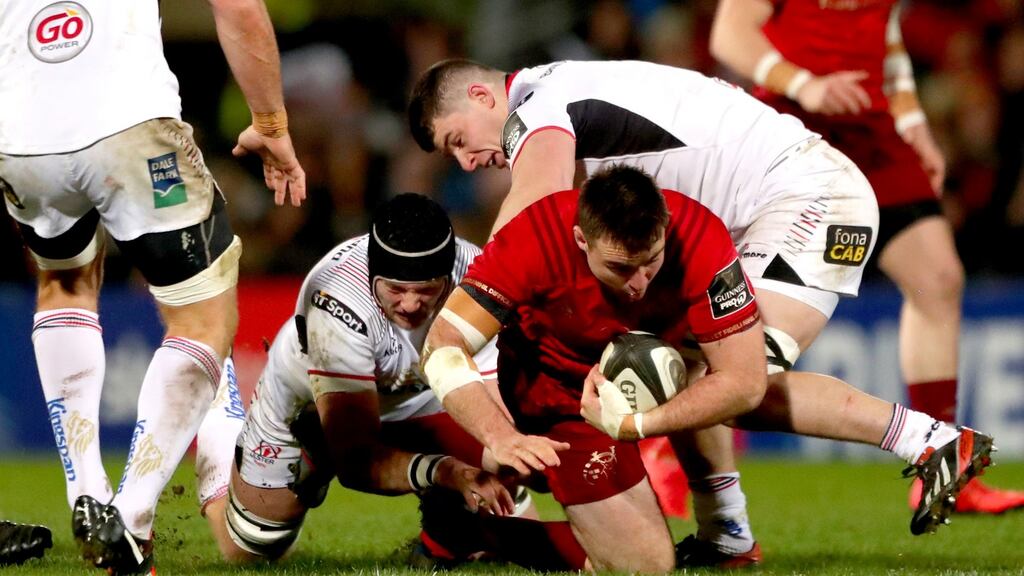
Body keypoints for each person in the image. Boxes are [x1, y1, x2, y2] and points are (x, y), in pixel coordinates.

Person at [408, 57, 880, 564]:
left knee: (726, 379)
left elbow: (533, 206)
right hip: (778, 196)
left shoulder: (537, 109)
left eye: (457, 140)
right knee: (706, 382)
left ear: (482, 97)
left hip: (800, 198)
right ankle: (727, 531)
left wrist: (479, 300)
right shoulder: (562, 92)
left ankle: (917, 438)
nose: (466, 162)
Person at [420, 165, 994, 572]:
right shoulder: (533, 238)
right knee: (644, 567)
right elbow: (443, 345)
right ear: (579, 240)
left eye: (652, 262)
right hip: (557, 397)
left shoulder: (700, 238)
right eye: (622, 268)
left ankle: (733, 530)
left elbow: (743, 383)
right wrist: (499, 434)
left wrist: (638, 427)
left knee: (728, 377)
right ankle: (469, 528)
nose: (641, 283)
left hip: (649, 384)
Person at [0, 1, 305, 574]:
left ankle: (86, 491)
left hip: (19, 135)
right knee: (202, 318)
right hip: (129, 125)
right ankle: (132, 515)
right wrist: (270, 124)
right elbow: (237, 6)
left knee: (64, 284)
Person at [708, 0, 1024, 515]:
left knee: (939, 277)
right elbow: (729, 34)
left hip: (869, 126)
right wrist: (804, 83)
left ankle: (939, 466)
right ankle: (693, 459)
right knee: (744, 306)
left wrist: (912, 118)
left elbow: (886, 34)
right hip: (792, 124)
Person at [195, 193, 589, 572]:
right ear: (372, 277)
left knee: (509, 452)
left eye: (426, 290)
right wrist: (446, 471)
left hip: (424, 399)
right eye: (396, 289)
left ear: (447, 279)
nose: (412, 304)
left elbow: (496, 412)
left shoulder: (476, 277)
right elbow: (358, 463)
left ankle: (443, 533)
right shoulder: (338, 300)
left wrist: (507, 457)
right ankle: (228, 421)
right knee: (253, 546)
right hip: (314, 404)